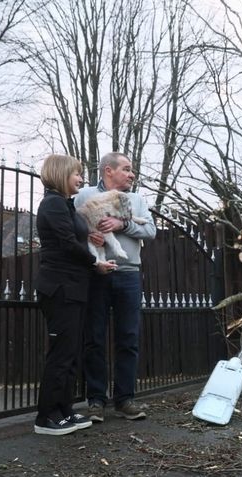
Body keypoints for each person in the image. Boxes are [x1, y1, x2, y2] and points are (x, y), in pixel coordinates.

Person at [34, 154, 117, 435]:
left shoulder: (66, 205)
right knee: (61, 354)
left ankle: (65, 411)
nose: (81, 179)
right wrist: (95, 262)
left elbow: (76, 236)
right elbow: (67, 243)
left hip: (74, 289)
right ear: (60, 174)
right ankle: (46, 417)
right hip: (60, 289)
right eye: (76, 174)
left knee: (70, 353)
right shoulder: (53, 204)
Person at [75, 152, 156, 421]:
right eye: (126, 169)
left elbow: (151, 231)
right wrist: (88, 235)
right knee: (94, 337)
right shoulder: (83, 196)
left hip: (128, 273)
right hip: (96, 273)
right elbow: (71, 229)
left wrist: (123, 224)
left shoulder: (137, 200)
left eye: (132, 170)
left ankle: (125, 400)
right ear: (108, 170)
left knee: (128, 338)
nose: (132, 174)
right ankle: (96, 401)